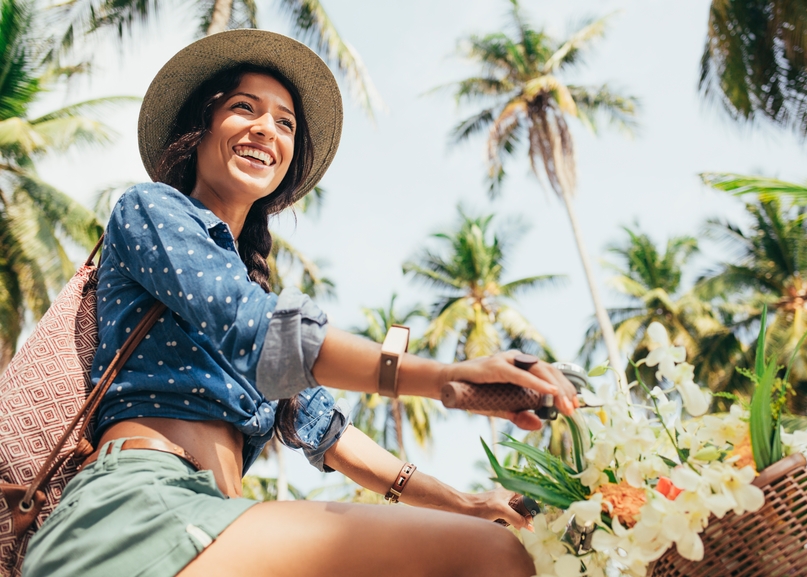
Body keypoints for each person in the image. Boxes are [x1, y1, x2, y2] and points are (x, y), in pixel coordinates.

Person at [21, 30, 578, 577]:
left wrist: (466, 503)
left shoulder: (252, 289)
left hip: (218, 520)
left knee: (489, 544)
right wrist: (447, 379)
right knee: (491, 556)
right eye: (245, 108)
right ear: (201, 128)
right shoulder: (153, 210)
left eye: (285, 122)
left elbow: (328, 434)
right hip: (137, 510)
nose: (267, 129)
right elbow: (257, 330)